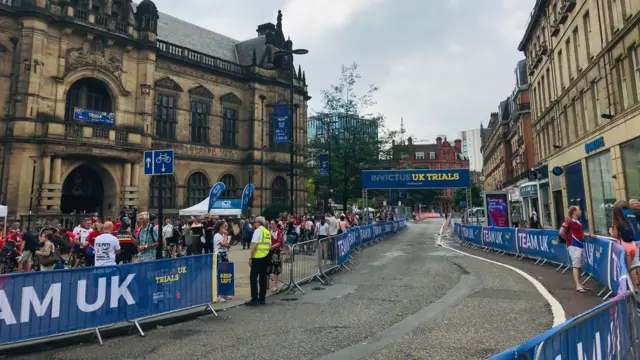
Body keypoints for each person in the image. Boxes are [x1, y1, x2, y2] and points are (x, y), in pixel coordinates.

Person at [559, 206, 590, 293]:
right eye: (579, 210)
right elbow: (561, 232)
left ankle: (580, 283)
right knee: (576, 265)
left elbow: (580, 234)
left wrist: (589, 235)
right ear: (574, 212)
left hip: (579, 245)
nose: (580, 211)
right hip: (574, 246)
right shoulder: (569, 221)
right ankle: (577, 285)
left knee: (579, 265)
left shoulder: (577, 222)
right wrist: (567, 240)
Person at [610, 204, 638, 286]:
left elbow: (615, 236)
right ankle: (634, 286)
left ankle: (632, 287)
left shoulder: (616, 224)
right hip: (632, 244)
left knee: (628, 267)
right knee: (632, 266)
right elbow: (633, 231)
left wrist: (611, 232)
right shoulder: (628, 222)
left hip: (624, 246)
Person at [246, 216, 271, 306]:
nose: (254, 224)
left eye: (255, 222)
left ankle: (254, 299)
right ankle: (262, 299)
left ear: (258, 223)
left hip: (257, 258)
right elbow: (269, 245)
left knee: (253, 278)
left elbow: (254, 245)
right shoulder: (267, 232)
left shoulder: (258, 231)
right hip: (265, 257)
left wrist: (250, 257)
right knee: (263, 279)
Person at [268, 220, 283, 292]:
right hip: (269, 251)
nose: (272, 225)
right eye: (271, 224)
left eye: (273, 224)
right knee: (268, 267)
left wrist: (272, 247)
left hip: (276, 252)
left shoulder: (279, 232)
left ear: (276, 224)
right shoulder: (268, 232)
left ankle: (275, 285)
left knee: (276, 268)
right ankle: (267, 285)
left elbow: (279, 242)